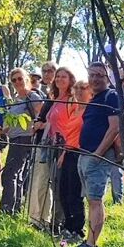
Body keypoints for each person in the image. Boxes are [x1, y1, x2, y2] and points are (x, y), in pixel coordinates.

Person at [76, 61, 122, 247]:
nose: (95, 79)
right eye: (92, 75)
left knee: (95, 201)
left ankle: (92, 246)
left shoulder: (111, 96)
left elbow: (114, 128)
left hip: (98, 157)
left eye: (100, 75)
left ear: (107, 77)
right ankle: (88, 241)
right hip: (85, 155)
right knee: (90, 201)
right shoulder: (95, 98)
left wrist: (98, 153)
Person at [30, 66, 75, 232]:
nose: (59, 79)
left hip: (63, 146)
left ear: (70, 80)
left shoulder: (73, 99)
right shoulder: (53, 98)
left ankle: (58, 222)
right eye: (58, 77)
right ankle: (41, 220)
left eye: (64, 76)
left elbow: (74, 125)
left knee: (59, 186)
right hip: (47, 144)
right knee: (43, 182)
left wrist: (65, 150)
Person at [0, 67, 41, 214]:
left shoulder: (33, 97)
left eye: (20, 78)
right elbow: (10, 123)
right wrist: (2, 131)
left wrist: (34, 129)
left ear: (26, 79)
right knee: (17, 173)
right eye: (14, 80)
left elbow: (42, 117)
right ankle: (15, 208)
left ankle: (6, 208)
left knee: (10, 173)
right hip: (14, 139)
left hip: (25, 140)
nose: (17, 82)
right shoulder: (16, 100)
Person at [50, 79, 89, 241]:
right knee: (63, 191)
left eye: (83, 88)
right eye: (77, 88)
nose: (79, 91)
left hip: (81, 153)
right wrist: (63, 154)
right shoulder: (74, 110)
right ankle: (68, 225)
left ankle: (78, 229)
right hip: (68, 152)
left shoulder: (91, 110)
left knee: (75, 193)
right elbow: (69, 136)